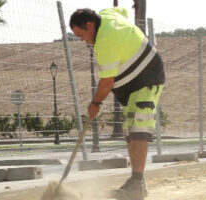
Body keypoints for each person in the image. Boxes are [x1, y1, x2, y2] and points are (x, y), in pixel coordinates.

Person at [70, 7, 165, 200]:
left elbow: (107, 82)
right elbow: (121, 10)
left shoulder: (105, 42)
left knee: (138, 130)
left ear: (90, 25)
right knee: (131, 132)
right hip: (135, 86)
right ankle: (136, 182)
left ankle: (136, 185)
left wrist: (95, 103)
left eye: (81, 34)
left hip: (146, 80)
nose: (81, 40)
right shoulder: (106, 15)